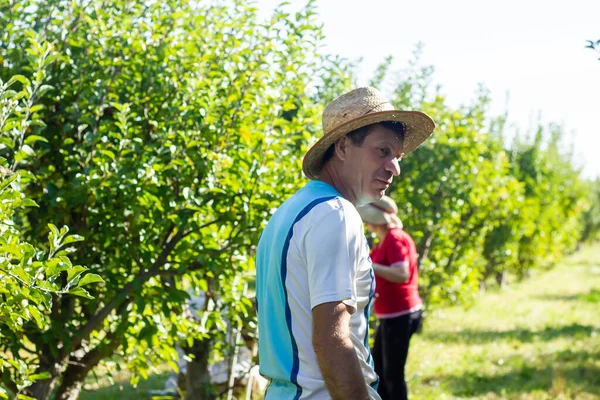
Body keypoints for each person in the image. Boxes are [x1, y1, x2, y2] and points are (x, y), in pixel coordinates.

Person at [255, 87, 435, 399]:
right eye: (382, 151)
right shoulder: (337, 214)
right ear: (342, 147)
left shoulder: (289, 213)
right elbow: (332, 339)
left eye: (398, 156)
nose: (395, 167)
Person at [357, 196, 423, 400]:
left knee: (392, 373)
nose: (366, 222)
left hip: (400, 314)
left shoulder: (395, 238)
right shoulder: (384, 241)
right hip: (390, 315)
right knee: (381, 371)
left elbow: (401, 273)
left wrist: (368, 264)